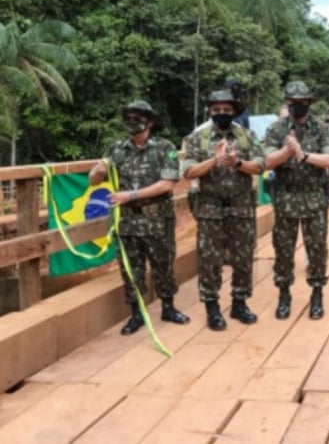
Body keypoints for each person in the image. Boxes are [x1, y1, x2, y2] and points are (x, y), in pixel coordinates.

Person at [88, 100, 189, 335]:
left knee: (163, 264)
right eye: (129, 117)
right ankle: (136, 314)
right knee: (131, 269)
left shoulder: (164, 147)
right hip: (127, 222)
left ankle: (168, 308)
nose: (132, 122)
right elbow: (94, 180)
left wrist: (130, 195)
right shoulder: (116, 149)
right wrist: (98, 171)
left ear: (150, 122)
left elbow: (167, 184)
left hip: (157, 220)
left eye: (138, 117)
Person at [181, 90, 265, 331]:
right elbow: (187, 171)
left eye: (226, 110)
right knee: (210, 259)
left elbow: (261, 166)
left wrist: (238, 163)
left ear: (234, 111)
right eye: (216, 109)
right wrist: (214, 161)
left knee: (243, 257)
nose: (221, 113)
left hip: (241, 207)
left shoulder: (247, 136)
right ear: (210, 111)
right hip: (210, 208)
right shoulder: (198, 138)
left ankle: (239, 303)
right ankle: (212, 307)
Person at [264, 81, 329, 320]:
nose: (297, 105)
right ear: (287, 102)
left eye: (302, 102)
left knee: (317, 248)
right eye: (292, 102)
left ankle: (317, 294)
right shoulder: (277, 128)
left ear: (309, 102)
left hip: (314, 197)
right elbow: (266, 162)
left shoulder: (322, 128)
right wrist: (286, 151)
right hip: (285, 197)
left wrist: (303, 155)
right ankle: (284, 295)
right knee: (283, 249)